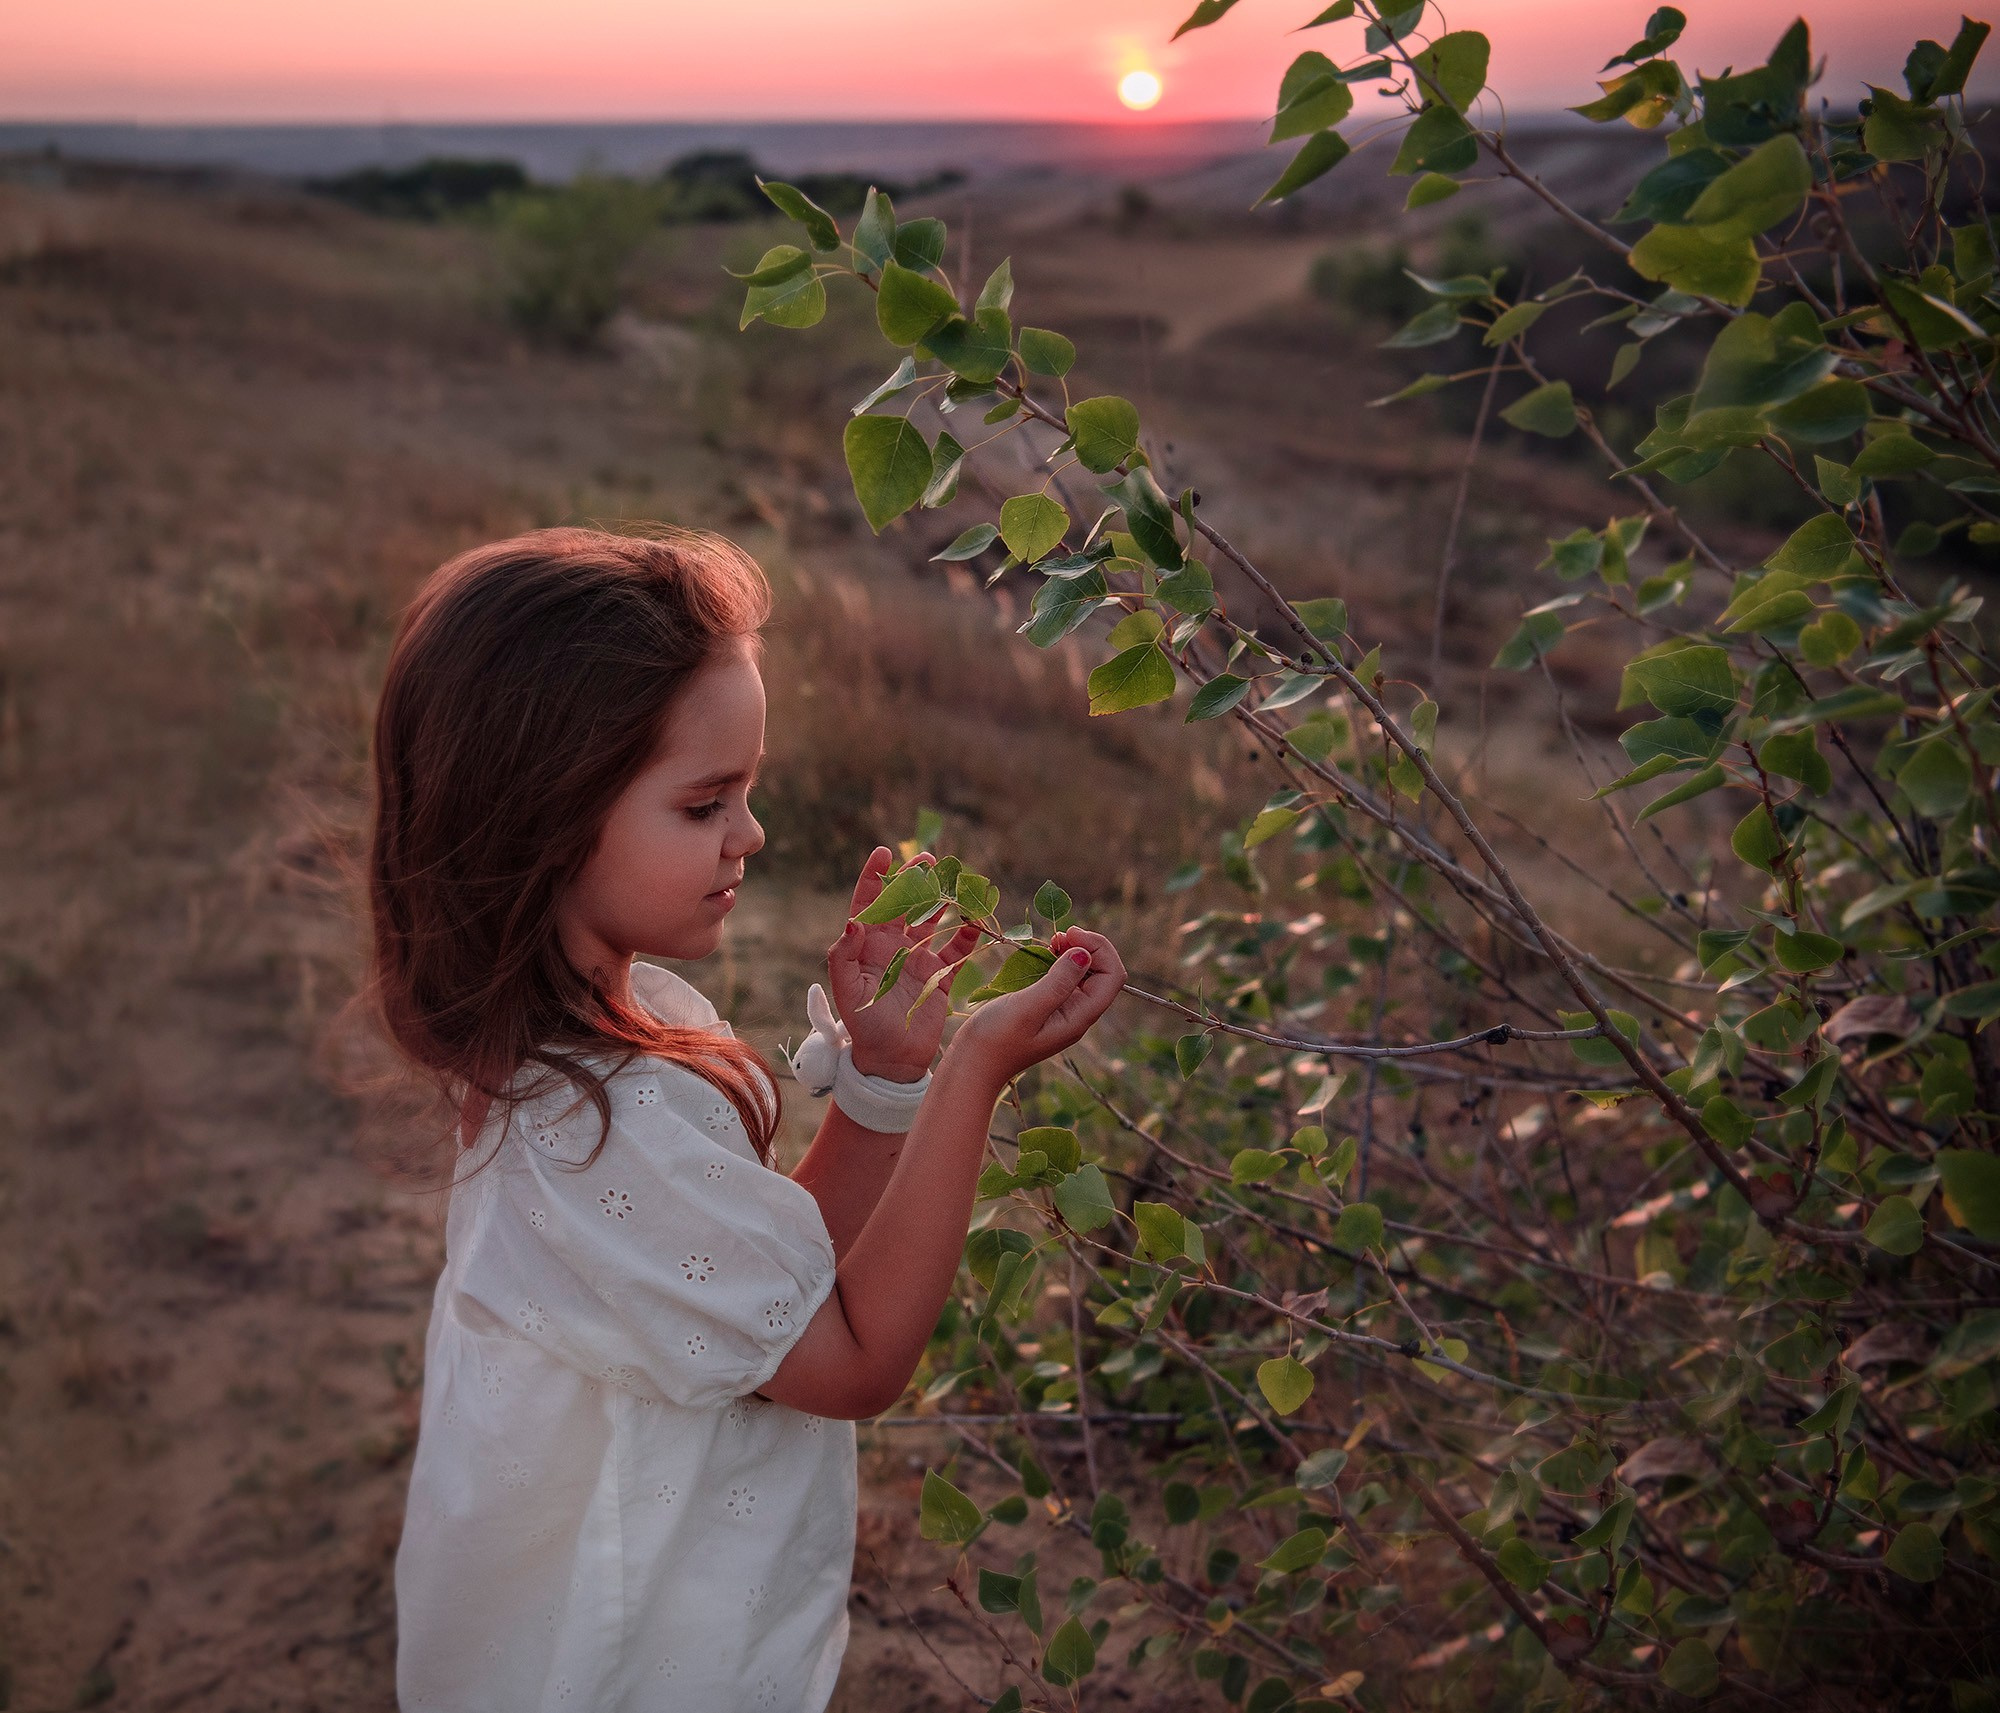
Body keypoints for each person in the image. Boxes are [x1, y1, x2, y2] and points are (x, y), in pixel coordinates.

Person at [366, 526, 1125, 1711]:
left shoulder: (607, 1030)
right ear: (543, 816)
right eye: (704, 802)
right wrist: (972, 1071)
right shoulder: (594, 1124)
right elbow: (849, 1361)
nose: (750, 836)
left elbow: (763, 1298)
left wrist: (874, 1087)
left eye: (748, 791)